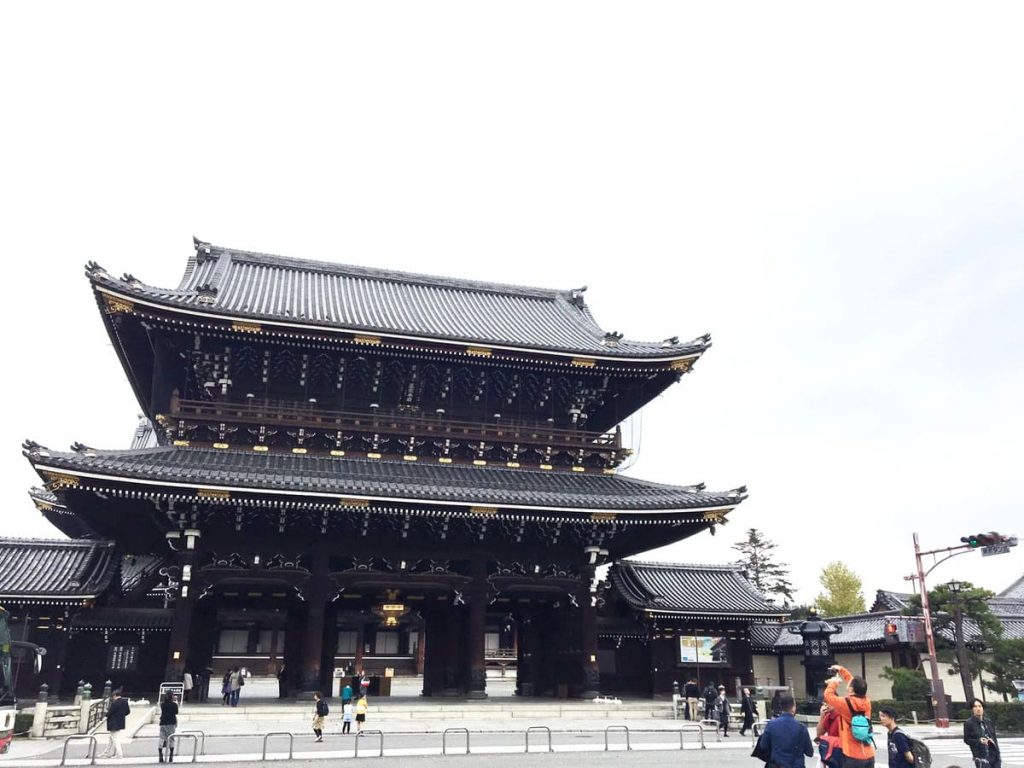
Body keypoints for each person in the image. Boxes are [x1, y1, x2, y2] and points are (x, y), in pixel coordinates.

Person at [823, 664, 875, 768]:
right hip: (869, 754)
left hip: (852, 755)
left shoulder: (845, 703)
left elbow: (828, 695)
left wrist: (833, 682)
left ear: (851, 689)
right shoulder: (867, 702)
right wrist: (841, 670)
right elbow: (855, 682)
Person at [756, 691, 814, 767]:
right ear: (793, 708)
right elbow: (809, 752)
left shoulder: (771, 725)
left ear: (781, 707)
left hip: (776, 764)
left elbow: (763, 745)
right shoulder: (801, 728)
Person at [963, 698, 1001, 768]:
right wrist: (979, 741)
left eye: (980, 706)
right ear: (972, 709)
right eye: (975, 706)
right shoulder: (969, 723)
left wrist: (998, 756)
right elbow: (966, 740)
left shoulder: (988, 722)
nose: (978, 709)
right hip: (981, 758)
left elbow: (994, 739)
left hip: (993, 757)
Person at [99, 688, 130, 759]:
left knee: (115, 739)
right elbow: (128, 711)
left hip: (113, 722)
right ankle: (106, 752)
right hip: (120, 721)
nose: (113, 698)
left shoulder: (115, 703)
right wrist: (121, 715)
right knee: (111, 738)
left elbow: (109, 713)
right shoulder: (125, 702)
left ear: (115, 695)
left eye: (113, 696)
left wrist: (105, 714)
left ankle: (119, 754)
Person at [815, 701, 843, 767]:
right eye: (824, 703)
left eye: (827, 702)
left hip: (840, 753)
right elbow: (819, 734)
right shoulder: (828, 716)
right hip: (832, 752)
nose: (825, 705)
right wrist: (822, 716)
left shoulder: (841, 717)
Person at [158, 691, 178, 763]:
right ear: (172, 697)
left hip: (163, 722)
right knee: (171, 738)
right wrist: (175, 701)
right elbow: (176, 712)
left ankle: (160, 753)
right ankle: (171, 754)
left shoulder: (162, 704)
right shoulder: (174, 705)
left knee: (162, 738)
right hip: (171, 723)